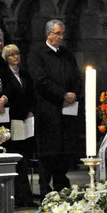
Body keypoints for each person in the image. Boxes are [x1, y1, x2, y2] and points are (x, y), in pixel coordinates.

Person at [29, 19, 82, 196]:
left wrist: (73, 93)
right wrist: (62, 95)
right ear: (48, 34)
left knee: (64, 148)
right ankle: (45, 186)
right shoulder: (38, 54)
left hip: (67, 109)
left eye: (62, 34)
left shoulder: (66, 54)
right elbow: (40, 80)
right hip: (48, 109)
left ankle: (61, 182)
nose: (61, 37)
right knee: (48, 150)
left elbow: (76, 76)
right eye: (57, 33)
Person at [2, 44, 35, 206]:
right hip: (13, 119)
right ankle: (15, 195)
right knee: (14, 157)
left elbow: (30, 94)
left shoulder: (24, 74)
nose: (16, 57)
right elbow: (10, 96)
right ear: (6, 58)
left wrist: (30, 110)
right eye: (12, 55)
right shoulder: (5, 75)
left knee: (24, 157)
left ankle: (26, 196)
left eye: (17, 54)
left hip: (26, 118)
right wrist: (22, 112)